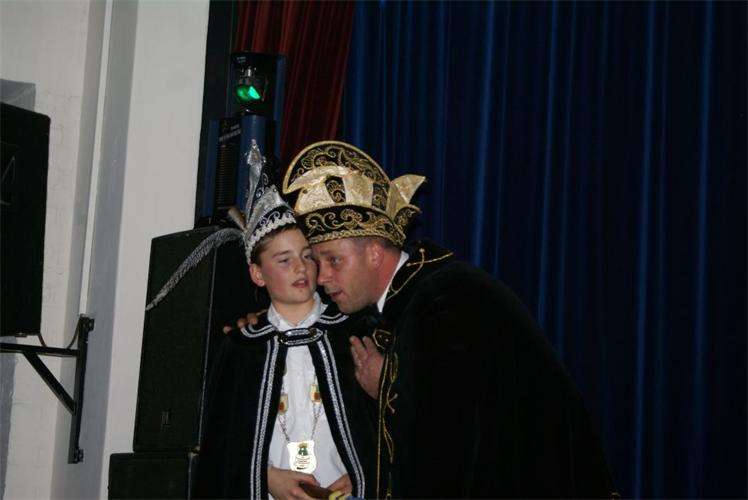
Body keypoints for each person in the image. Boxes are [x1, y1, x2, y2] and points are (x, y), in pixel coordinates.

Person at [270, 140, 618, 499]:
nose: (322, 277)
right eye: (319, 262)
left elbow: (451, 434)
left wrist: (388, 384)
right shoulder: (416, 296)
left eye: (334, 260)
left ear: (374, 253)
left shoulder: (444, 300)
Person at [148, 141, 375, 499]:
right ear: (257, 273)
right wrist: (265, 476)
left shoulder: (351, 333)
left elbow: (382, 428)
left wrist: (364, 473)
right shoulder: (243, 347)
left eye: (307, 255)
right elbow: (222, 446)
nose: (300, 268)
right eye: (284, 260)